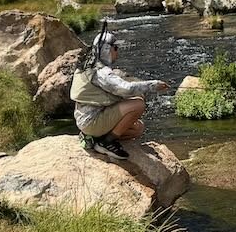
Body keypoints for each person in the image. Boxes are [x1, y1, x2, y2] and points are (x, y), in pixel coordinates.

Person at [70, 28, 169, 161]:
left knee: (137, 128)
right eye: (115, 48)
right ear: (106, 50)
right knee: (138, 104)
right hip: (91, 121)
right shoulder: (100, 71)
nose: (117, 51)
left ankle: (95, 139)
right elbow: (125, 89)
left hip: (86, 120)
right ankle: (107, 143)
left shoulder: (88, 64)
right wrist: (153, 85)